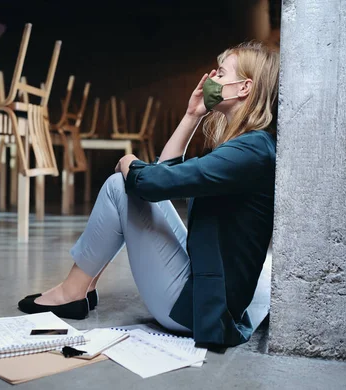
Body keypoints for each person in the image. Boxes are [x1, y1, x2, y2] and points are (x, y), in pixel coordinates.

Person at [18, 41, 279, 348]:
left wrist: (130, 162)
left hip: (199, 309)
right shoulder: (250, 146)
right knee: (132, 186)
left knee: (121, 185)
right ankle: (81, 288)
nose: (212, 81)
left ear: (244, 87)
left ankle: (73, 292)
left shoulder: (250, 152)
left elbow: (152, 182)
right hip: (206, 283)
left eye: (220, 74)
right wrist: (192, 115)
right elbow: (163, 176)